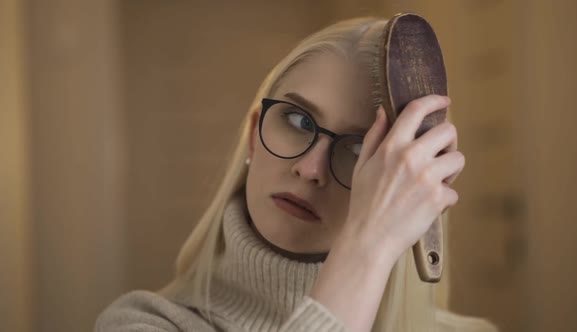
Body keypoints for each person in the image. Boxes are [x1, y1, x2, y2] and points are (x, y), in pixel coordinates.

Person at [95, 17, 498, 332]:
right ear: (254, 134)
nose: (309, 169)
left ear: (406, 185)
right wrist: (366, 249)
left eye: (358, 149)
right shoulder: (143, 323)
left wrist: (375, 245)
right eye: (298, 120)